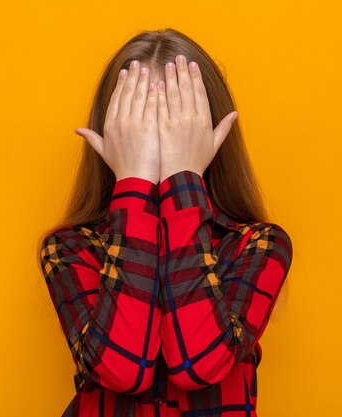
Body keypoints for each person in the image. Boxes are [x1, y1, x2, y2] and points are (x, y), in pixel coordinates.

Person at [38, 28, 293, 417]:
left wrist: (182, 176)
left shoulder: (259, 245)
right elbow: (123, 370)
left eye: (177, 120)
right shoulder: (71, 248)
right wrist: (134, 182)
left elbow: (199, 363)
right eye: (138, 120)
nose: (157, 136)